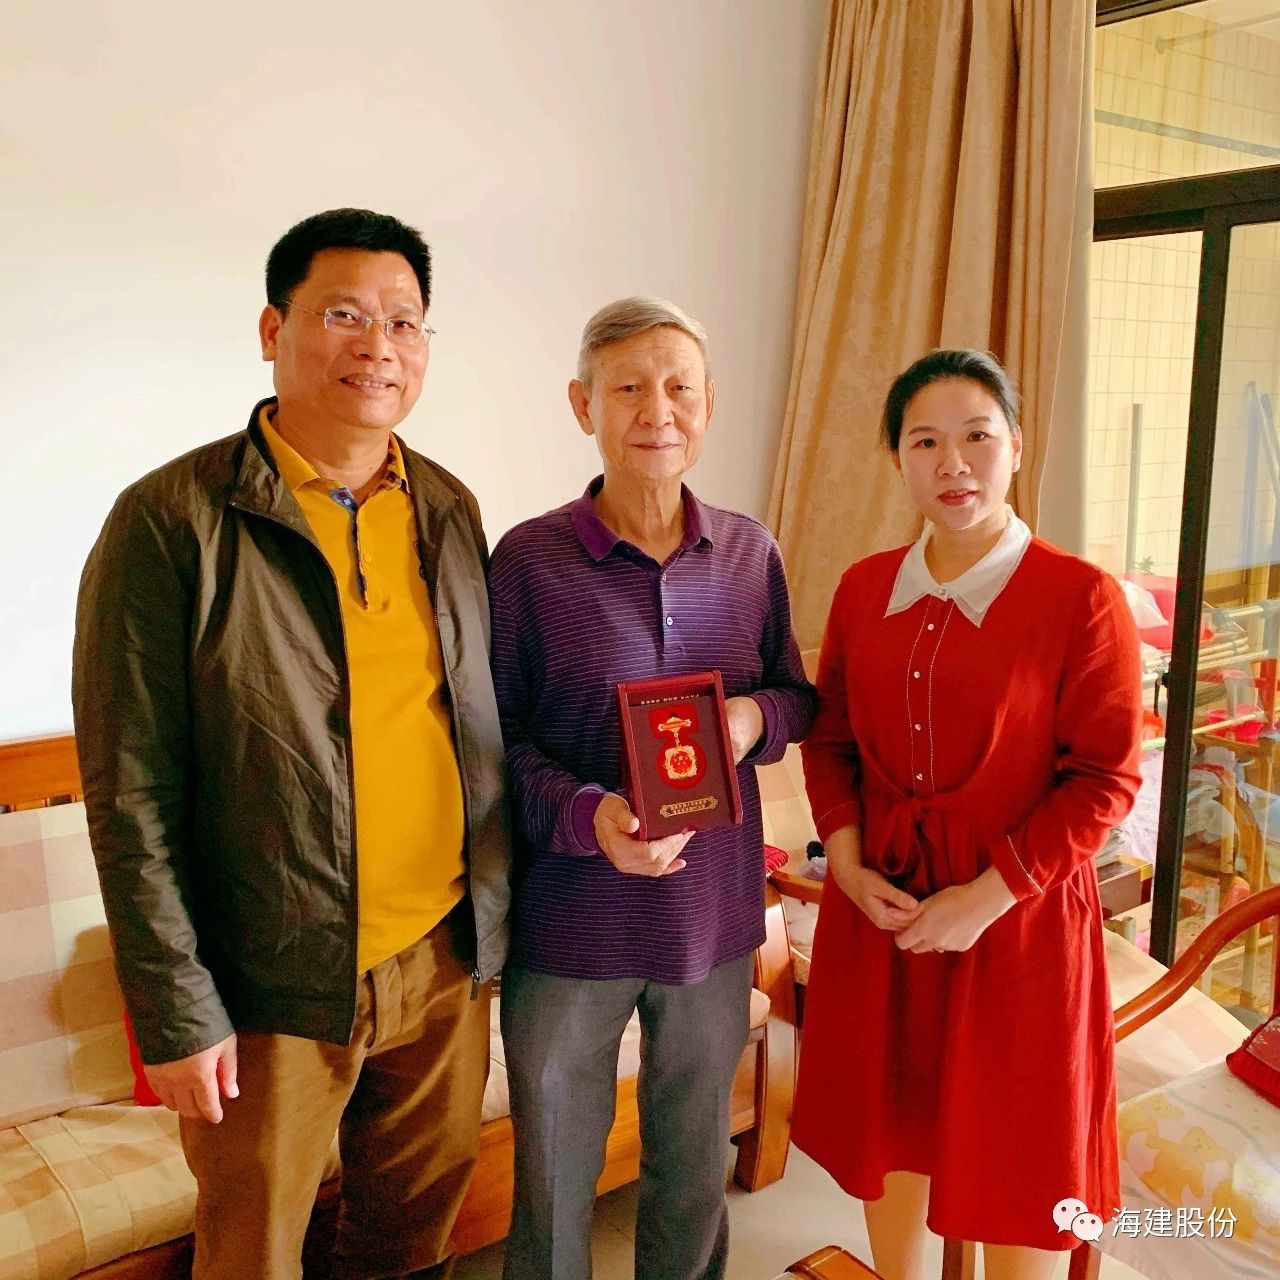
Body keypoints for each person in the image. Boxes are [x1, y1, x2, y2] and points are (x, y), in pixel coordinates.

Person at [72, 208, 511, 1280]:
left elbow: (471, 722)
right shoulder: (171, 519)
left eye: (403, 322)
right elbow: (130, 793)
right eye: (343, 314)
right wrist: (177, 1011)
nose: (379, 345)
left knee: (410, 1241)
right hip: (268, 978)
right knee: (254, 1254)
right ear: (273, 329)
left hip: (441, 959)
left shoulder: (447, 506)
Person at [791, 349, 1141, 1280]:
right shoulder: (865, 588)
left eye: (977, 436)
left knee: (1021, 1154)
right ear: (896, 459)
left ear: (1016, 446)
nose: (953, 464)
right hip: (885, 913)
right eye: (925, 442)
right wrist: (847, 865)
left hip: (1018, 925)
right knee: (894, 1129)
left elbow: (1105, 779)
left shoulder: (1081, 597)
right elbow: (830, 740)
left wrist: (985, 900)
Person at [488, 297, 816, 1280]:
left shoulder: (750, 553)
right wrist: (590, 815)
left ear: (709, 403)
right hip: (567, 926)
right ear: (581, 404)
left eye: (678, 387)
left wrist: (751, 718)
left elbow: (798, 696)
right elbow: (491, 743)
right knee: (553, 1180)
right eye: (627, 387)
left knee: (691, 1168)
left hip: (710, 924)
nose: (655, 410)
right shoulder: (527, 561)